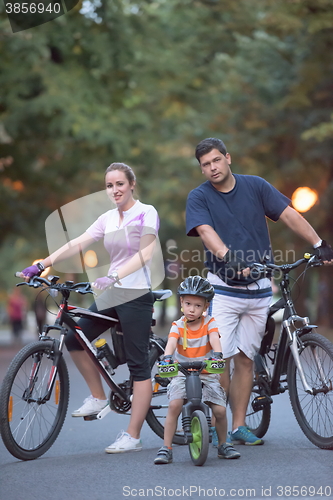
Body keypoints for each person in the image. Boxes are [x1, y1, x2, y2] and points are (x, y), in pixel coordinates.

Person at [186, 137, 333, 446]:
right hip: (223, 290)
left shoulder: (256, 186)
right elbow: (205, 232)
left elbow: (289, 214)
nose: (212, 168)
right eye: (205, 165)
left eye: (216, 160)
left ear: (228, 158)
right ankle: (218, 422)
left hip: (259, 289)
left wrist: (318, 244)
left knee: (246, 360)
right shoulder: (199, 197)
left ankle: (239, 426)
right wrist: (230, 256)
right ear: (201, 170)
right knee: (220, 360)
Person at [20, 162, 161, 454]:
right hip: (112, 293)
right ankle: (98, 396)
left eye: (120, 184)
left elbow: (145, 253)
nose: (115, 190)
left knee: (138, 367)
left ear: (131, 184)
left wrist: (115, 275)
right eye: (109, 185)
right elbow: (78, 242)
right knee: (74, 339)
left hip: (135, 294)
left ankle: (133, 436)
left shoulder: (147, 212)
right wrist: (42, 264)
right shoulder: (108, 218)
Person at [154, 276, 240, 464]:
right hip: (181, 372)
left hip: (206, 372)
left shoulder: (210, 323)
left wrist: (218, 353)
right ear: (181, 303)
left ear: (206, 306)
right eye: (188, 304)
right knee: (175, 405)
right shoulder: (178, 325)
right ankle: (166, 447)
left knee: (219, 410)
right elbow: (171, 342)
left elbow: (215, 339)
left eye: (198, 305)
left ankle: (223, 444)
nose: (192, 309)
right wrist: (167, 357)